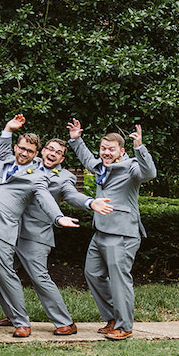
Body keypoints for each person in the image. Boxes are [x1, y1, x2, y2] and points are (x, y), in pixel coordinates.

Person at [0, 118, 78, 338]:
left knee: (18, 273)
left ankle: (24, 322)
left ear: (35, 154)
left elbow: (46, 197)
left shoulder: (39, 177)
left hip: (9, 230)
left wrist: (58, 217)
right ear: (16, 148)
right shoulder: (5, 164)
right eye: (22, 148)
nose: (24, 153)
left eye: (30, 150)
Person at [67, 119, 156, 340]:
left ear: (121, 151)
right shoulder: (101, 167)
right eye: (103, 149)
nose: (105, 153)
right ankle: (112, 318)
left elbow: (150, 173)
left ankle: (125, 326)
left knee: (119, 280)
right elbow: (87, 159)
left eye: (110, 149)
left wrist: (140, 148)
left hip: (123, 233)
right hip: (100, 231)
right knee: (93, 273)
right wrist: (76, 139)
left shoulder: (132, 167)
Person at [16, 132, 111, 336]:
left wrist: (89, 202)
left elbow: (72, 194)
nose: (53, 154)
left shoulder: (65, 178)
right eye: (50, 149)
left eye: (58, 153)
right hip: (10, 230)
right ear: (42, 151)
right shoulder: (27, 164)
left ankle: (65, 322)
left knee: (39, 277)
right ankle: (13, 314)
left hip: (36, 235)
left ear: (61, 159)